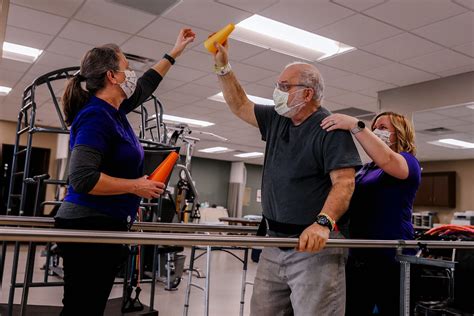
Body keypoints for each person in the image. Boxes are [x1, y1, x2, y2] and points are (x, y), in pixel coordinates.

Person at [211, 41, 361, 315]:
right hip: (273, 243)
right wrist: (223, 67)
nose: (277, 92)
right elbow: (240, 104)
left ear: (307, 93)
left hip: (314, 248)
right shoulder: (278, 118)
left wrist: (322, 223)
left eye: (284, 86)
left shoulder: (330, 128)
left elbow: (345, 183)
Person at [55, 28, 195, 316]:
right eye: (127, 69)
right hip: (88, 226)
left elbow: (146, 84)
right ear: (112, 76)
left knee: (89, 306)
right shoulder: (96, 116)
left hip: (105, 224)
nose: (131, 74)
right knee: (82, 308)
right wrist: (135, 186)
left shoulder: (114, 110)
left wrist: (175, 51)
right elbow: (82, 179)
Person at [321, 111, 421, 315]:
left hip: (390, 255)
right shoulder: (365, 169)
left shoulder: (408, 162)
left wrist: (355, 125)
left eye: (383, 128)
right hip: (359, 253)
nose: (376, 131)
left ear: (400, 133)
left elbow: (387, 159)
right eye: (374, 126)